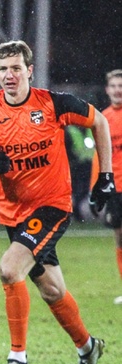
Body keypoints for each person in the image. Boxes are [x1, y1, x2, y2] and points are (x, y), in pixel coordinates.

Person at [0, 40, 114, 364]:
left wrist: (105, 175)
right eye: (3, 69)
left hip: (51, 206)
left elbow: (99, 121)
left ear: (29, 71)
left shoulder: (53, 103)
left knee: (9, 269)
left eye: (16, 68)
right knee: (51, 290)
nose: (10, 75)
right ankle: (88, 348)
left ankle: (17, 360)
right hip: (13, 214)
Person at [91, 69, 122, 304]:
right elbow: (99, 156)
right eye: (113, 86)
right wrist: (95, 188)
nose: (117, 90)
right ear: (107, 90)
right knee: (120, 238)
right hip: (116, 188)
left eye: (121, 86)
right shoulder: (103, 118)